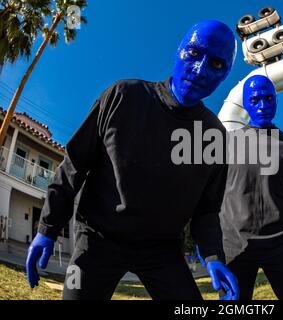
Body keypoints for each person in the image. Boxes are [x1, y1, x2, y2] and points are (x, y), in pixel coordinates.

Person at [25, 20, 239, 300]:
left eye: (217, 64)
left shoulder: (214, 136)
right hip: (97, 239)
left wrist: (213, 256)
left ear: (225, 76)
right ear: (178, 51)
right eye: (194, 53)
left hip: (161, 249)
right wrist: (47, 228)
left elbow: (207, 211)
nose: (200, 70)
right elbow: (74, 165)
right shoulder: (123, 96)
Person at [218, 75, 283, 300]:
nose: (263, 105)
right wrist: (208, 245)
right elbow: (207, 197)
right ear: (246, 104)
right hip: (235, 247)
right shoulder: (224, 145)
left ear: (276, 101)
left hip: (282, 244)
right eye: (255, 99)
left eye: (268, 98)